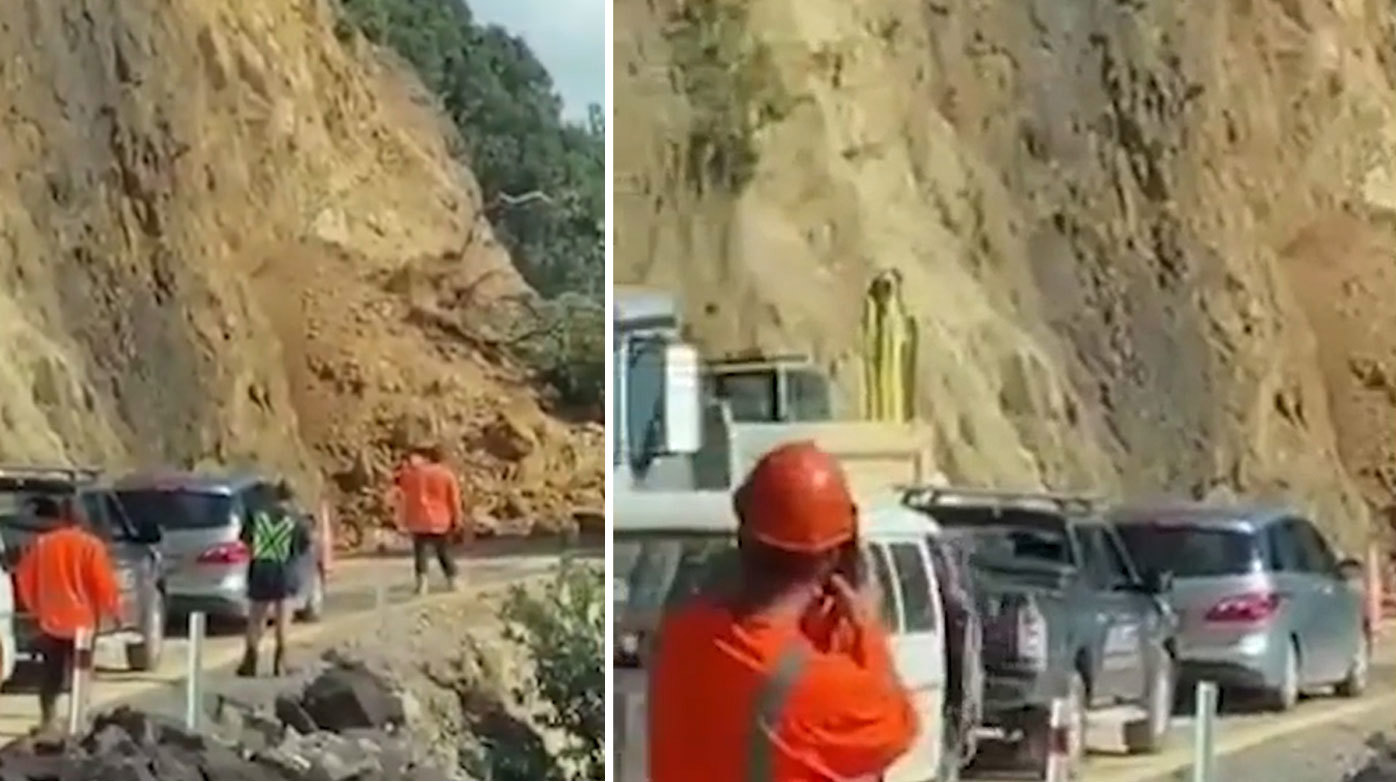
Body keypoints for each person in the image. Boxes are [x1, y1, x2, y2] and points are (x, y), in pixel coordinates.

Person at [648, 441, 918, 782]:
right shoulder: (826, 685)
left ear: (744, 536)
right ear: (836, 556)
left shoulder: (681, 635)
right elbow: (900, 728)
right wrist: (867, 628)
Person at [13, 496, 120, 736]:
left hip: (51, 621)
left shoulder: (42, 545)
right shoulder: (91, 546)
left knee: (51, 673)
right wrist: (114, 612)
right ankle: (78, 721)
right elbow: (103, 584)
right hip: (83, 624)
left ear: (60, 518)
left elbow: (23, 577)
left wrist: (35, 607)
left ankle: (48, 720)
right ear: (82, 518)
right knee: (80, 672)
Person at [236, 480, 310, 678]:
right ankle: (281, 661)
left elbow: (244, 538)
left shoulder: (258, 516)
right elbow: (305, 544)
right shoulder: (296, 519)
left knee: (256, 618)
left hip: (260, 569)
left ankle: (250, 660)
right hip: (285, 571)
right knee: (283, 618)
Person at [392, 443, 465, 595]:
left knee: (420, 553)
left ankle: (422, 584)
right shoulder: (447, 475)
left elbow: (400, 484)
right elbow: (453, 499)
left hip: (418, 519)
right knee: (443, 551)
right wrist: (457, 519)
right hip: (441, 519)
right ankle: (453, 580)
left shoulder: (414, 474)